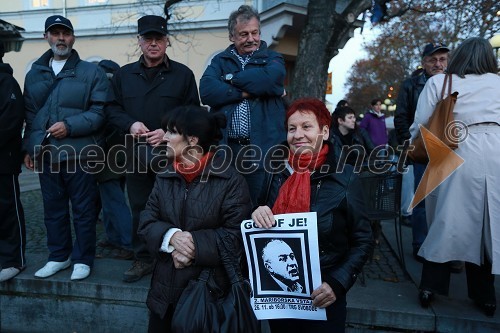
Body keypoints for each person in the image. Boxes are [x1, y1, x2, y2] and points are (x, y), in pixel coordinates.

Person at [252, 98, 373, 333]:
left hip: (324, 295)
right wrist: (257, 213)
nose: (298, 135)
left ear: (325, 131)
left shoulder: (345, 177)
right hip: (281, 298)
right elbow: (259, 219)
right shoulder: (274, 171)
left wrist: (337, 283)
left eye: (307, 127)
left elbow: (363, 240)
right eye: (292, 128)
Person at [137, 105, 252, 332]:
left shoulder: (230, 180)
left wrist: (193, 249)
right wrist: (172, 237)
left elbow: (237, 236)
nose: (165, 138)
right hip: (164, 297)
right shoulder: (165, 175)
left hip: (209, 297)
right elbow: (146, 221)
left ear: (192, 140)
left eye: (171, 132)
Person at [410, 37, 500, 317]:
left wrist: (414, 146)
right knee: (488, 223)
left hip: (457, 147)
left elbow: (423, 123)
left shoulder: (440, 82)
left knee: (447, 221)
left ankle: (430, 285)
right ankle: (484, 295)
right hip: (497, 151)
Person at [106, 15, 200, 282]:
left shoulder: (183, 74)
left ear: (167, 41)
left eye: (159, 38)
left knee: (175, 205)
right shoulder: (124, 75)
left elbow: (193, 111)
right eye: (148, 39)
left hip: (172, 154)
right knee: (140, 207)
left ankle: (177, 256)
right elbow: (111, 109)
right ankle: (143, 258)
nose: (153, 44)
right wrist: (130, 124)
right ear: (139, 42)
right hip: (135, 154)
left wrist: (169, 130)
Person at [23, 15, 109, 281]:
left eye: (66, 33)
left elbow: (100, 113)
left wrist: (70, 126)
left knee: (84, 210)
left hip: (79, 154)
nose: (61, 38)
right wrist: (29, 148)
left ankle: (83, 259)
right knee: (53, 209)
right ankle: (59, 256)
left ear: (73, 37)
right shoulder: (34, 73)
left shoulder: (91, 72)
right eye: (55, 33)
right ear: (46, 37)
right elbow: (30, 115)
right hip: (47, 155)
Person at [199, 4, 286, 205]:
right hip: (228, 149)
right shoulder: (219, 61)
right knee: (228, 207)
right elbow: (207, 91)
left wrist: (228, 78)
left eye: (254, 33)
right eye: (243, 34)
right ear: (232, 37)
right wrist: (245, 91)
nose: (250, 39)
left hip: (263, 148)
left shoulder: (273, 58)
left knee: (261, 207)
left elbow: (271, 79)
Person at [394, 42, 450, 262]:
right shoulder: (411, 85)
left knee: (450, 200)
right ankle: (420, 244)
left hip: (452, 149)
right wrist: (410, 146)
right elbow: (401, 117)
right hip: (423, 149)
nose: (438, 64)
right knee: (423, 200)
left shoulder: (456, 82)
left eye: (442, 59)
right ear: (423, 63)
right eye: (432, 60)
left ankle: (448, 248)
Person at [95, 59, 133, 260]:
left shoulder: (102, 89)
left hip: (108, 151)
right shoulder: (121, 87)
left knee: (113, 200)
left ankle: (126, 243)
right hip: (120, 150)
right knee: (110, 197)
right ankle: (113, 237)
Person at [0, 41, 26, 282]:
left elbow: (10, 121)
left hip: (3, 161)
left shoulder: (6, 82)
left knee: (7, 210)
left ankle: (13, 260)